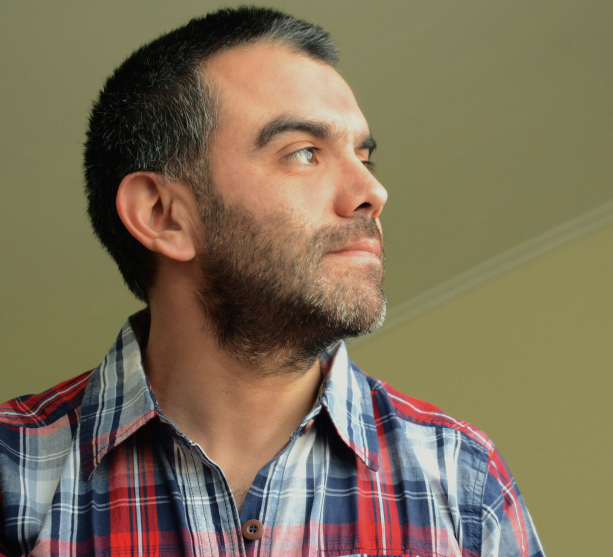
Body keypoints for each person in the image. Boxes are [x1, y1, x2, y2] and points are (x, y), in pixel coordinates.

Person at [0, 7, 544, 557]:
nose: (372, 193)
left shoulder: (464, 482)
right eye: (304, 153)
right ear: (164, 215)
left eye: (364, 158)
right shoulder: (10, 473)